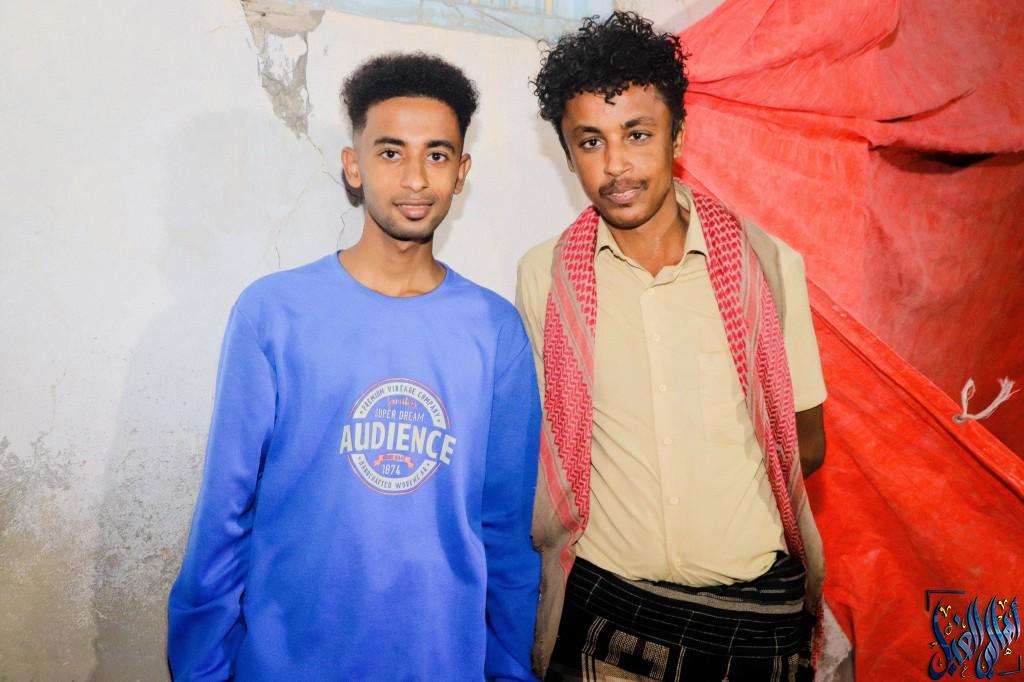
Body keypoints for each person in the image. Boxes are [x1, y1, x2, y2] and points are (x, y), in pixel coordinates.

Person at [168, 52, 541, 681]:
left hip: (439, 664)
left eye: (437, 155)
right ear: (353, 165)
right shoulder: (274, 313)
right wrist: (202, 668)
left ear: (461, 172)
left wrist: (508, 670)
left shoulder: (495, 329)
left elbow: (505, 532)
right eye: (391, 152)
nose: (415, 179)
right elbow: (225, 511)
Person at [516, 12, 828, 681]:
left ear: (677, 135)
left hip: (752, 626)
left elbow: (805, 443)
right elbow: (545, 450)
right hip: (605, 618)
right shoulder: (547, 278)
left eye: (638, 134)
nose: (616, 165)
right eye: (591, 141)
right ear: (567, 154)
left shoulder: (767, 266)